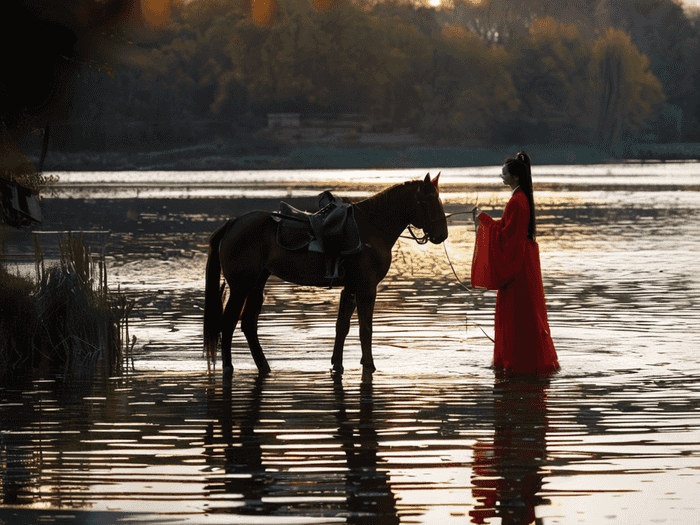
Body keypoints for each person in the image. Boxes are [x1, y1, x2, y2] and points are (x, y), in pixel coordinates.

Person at [470, 151, 559, 376]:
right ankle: (521, 362)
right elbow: (509, 229)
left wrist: (484, 220)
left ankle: (519, 363)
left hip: (517, 267)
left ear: (515, 177)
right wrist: (485, 219)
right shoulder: (520, 199)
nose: (501, 176)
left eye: (504, 173)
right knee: (521, 315)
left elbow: (508, 237)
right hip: (522, 263)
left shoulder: (518, 201)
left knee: (517, 316)